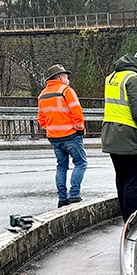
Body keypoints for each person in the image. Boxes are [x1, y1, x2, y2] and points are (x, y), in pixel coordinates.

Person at [101, 46, 137, 221]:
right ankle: (131, 223)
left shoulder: (112, 77)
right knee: (133, 181)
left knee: (122, 179)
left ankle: (125, 219)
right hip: (128, 137)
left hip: (110, 136)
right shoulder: (135, 79)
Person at [37, 64, 87, 208]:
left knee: (61, 166)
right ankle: (75, 195)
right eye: (66, 77)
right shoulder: (66, 91)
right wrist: (79, 128)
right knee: (80, 163)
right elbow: (76, 111)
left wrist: (50, 128)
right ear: (60, 78)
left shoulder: (42, 95)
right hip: (71, 135)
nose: (68, 80)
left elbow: (41, 119)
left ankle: (62, 198)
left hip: (54, 137)